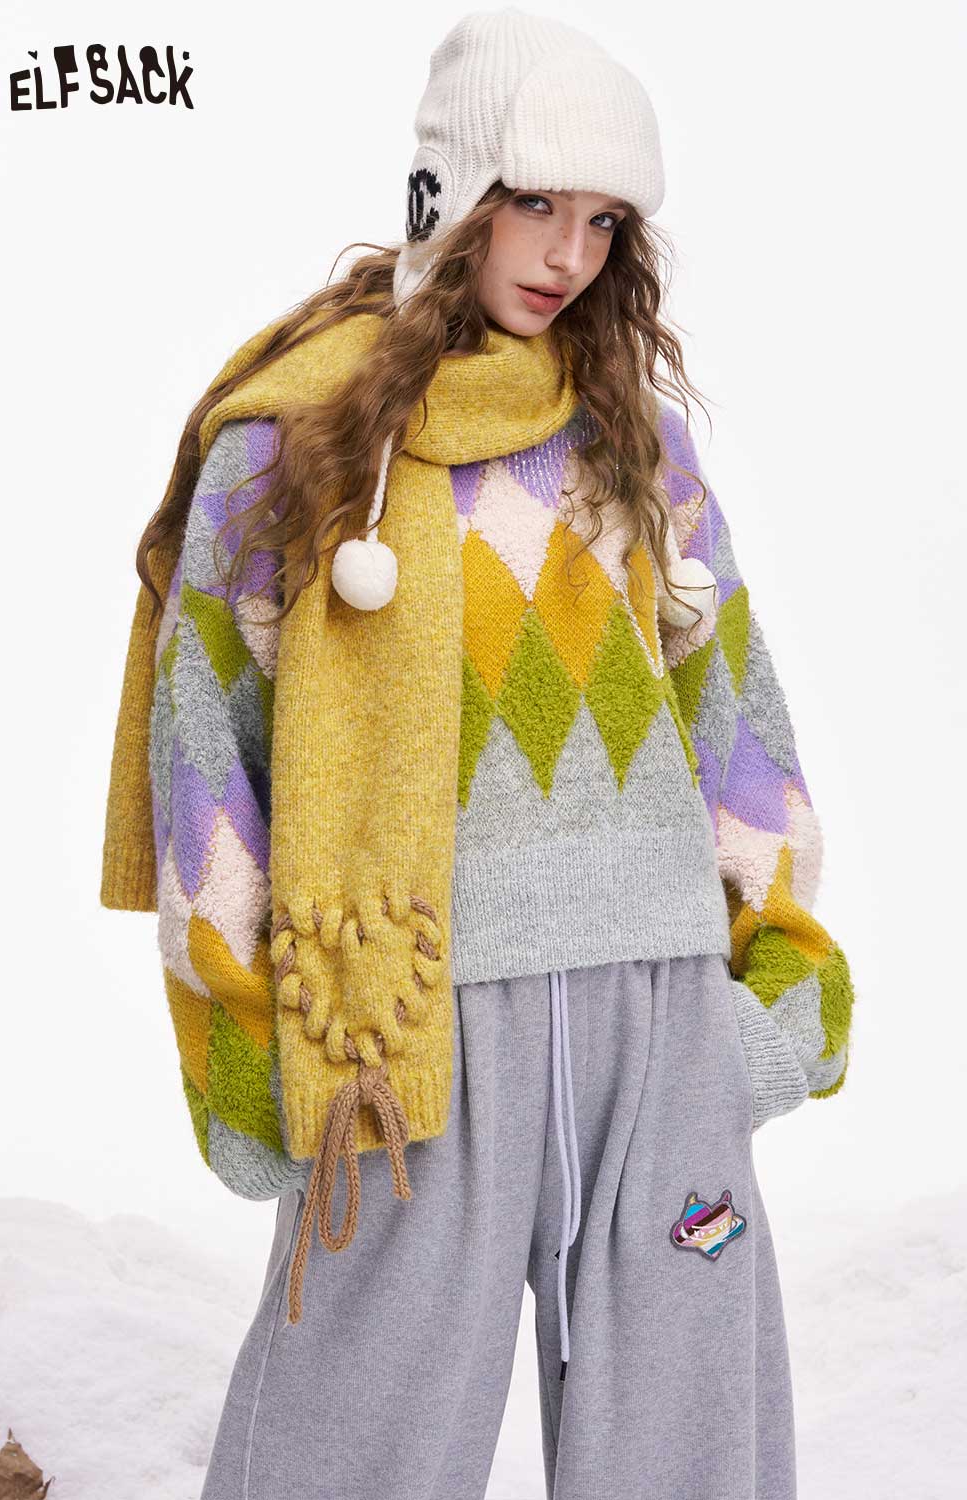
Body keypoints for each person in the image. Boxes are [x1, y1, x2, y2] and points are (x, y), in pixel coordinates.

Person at [99, 8, 856, 1498]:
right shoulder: (294, 443)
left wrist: (775, 982)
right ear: (453, 192)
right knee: (342, 1453)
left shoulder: (634, 441)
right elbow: (205, 761)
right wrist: (244, 1036)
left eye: (605, 221)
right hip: (401, 1028)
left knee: (691, 1460)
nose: (569, 254)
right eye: (538, 202)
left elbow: (730, 711)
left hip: (656, 1015)